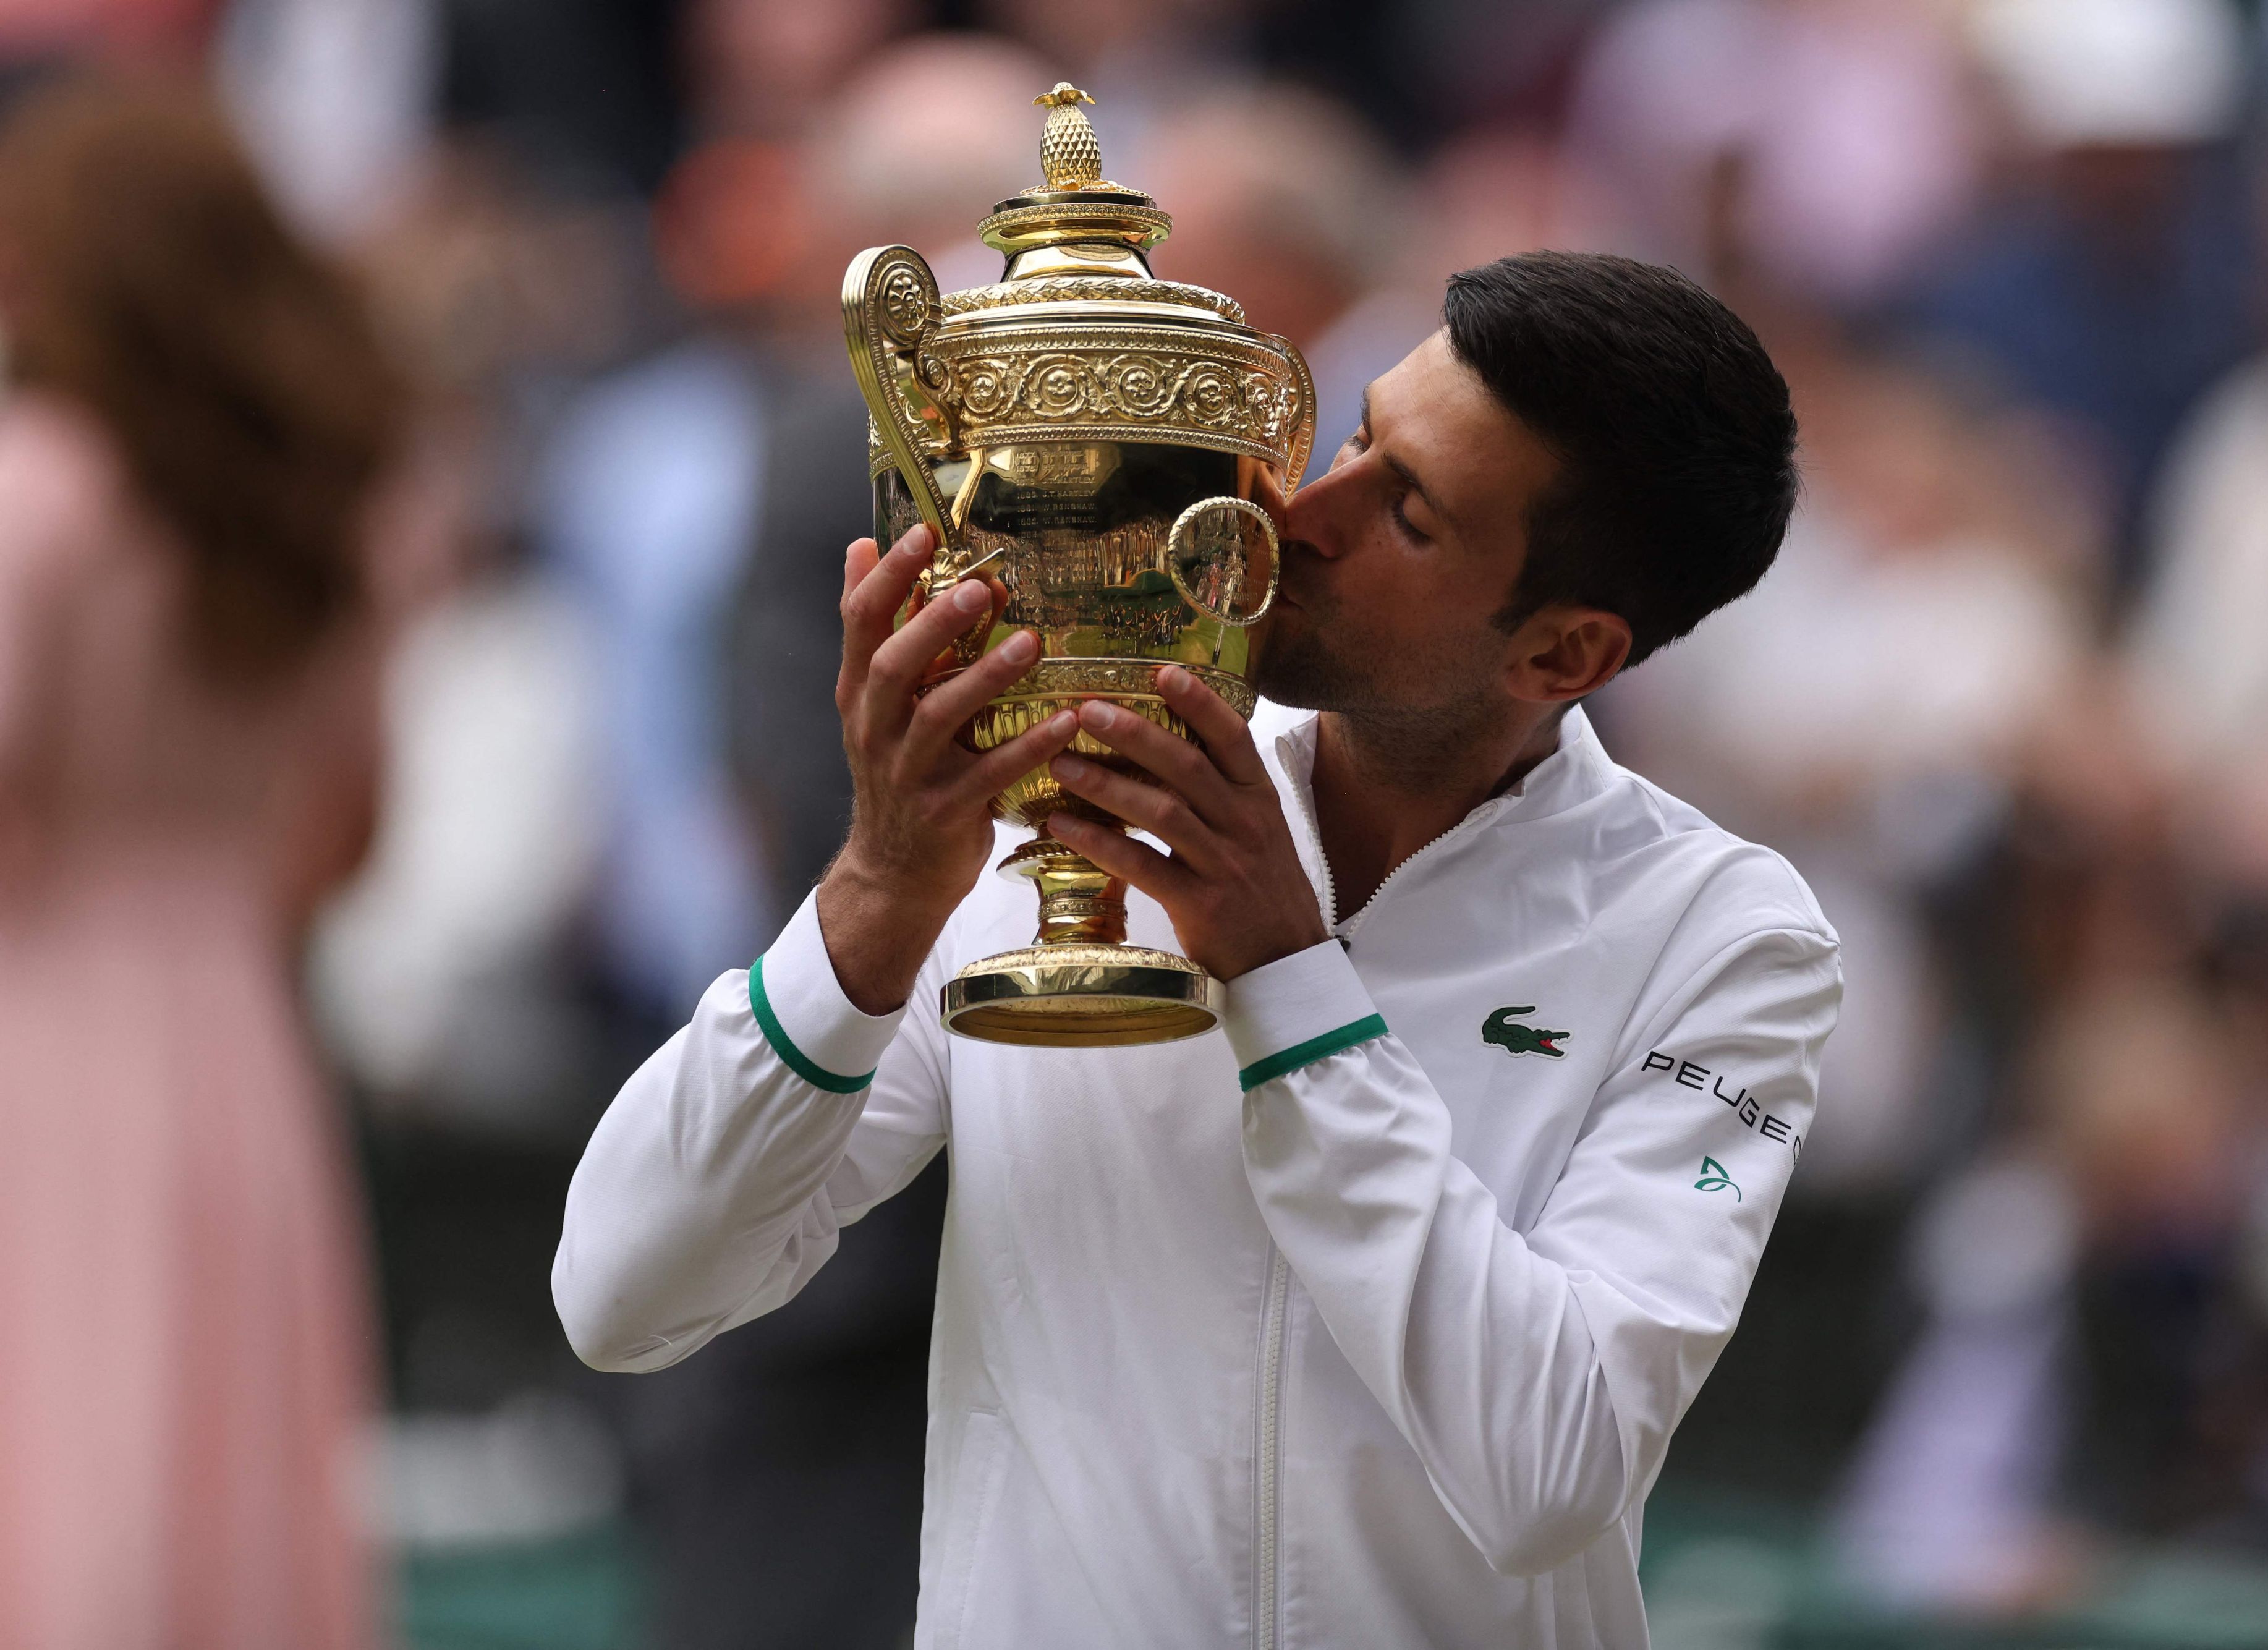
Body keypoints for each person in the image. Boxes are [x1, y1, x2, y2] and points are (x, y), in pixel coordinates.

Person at [556, 251, 1841, 1648]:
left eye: (1402, 513)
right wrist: (868, 898)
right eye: (1353, 434)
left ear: (1562, 655)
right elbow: (623, 1292)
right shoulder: (1061, 800)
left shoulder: (1727, 935)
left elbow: (1550, 1472)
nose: (1294, 510)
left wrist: (1292, 990)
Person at [0, 82, 407, 1649]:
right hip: (235, 1028)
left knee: (64, 1472)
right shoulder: (332, 517)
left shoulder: (37, 488)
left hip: (36, 1017)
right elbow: (353, 832)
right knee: (219, 1480)